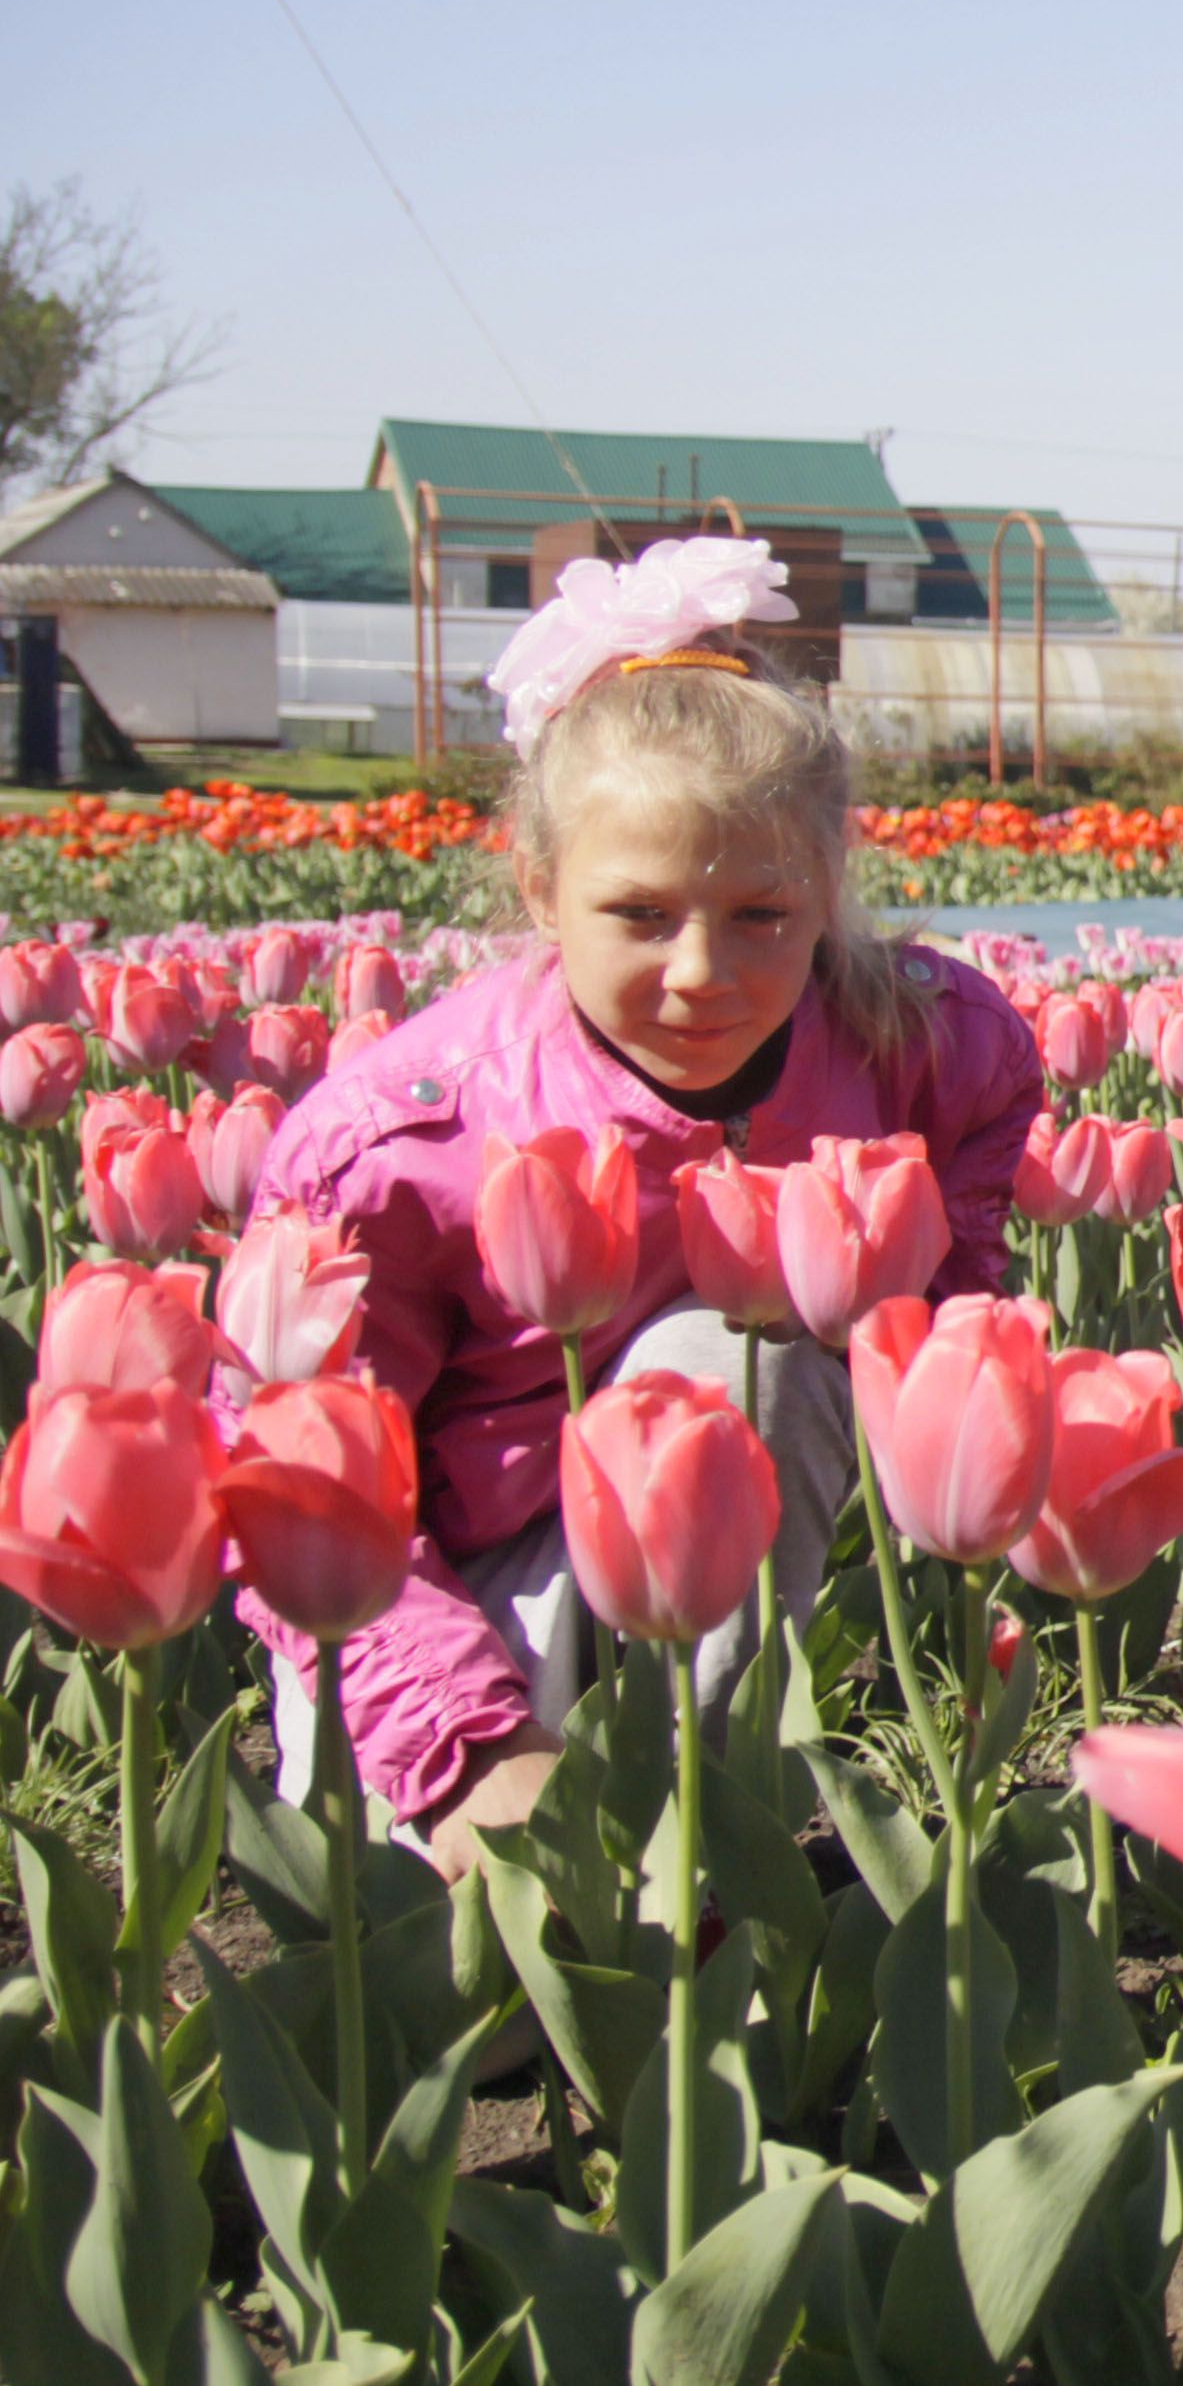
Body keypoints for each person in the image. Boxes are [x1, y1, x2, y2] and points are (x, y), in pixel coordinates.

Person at [237, 537, 1042, 1871]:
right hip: (446, 1587)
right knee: (474, 1983)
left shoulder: (924, 1047)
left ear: (827, 891)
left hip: (711, 1553)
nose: (700, 973)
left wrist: (974, 1553)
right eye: (641, 914)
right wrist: (467, 1746)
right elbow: (295, 1475)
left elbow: (950, 1340)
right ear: (540, 891)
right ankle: (543, 1834)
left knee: (747, 1356)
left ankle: (707, 1825)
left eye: (761, 914)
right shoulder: (401, 1144)